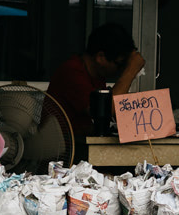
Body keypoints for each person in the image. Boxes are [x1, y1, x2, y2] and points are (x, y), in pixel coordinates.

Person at [46, 24, 145, 162]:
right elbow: (107, 109)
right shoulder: (72, 72)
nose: (119, 69)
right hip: (62, 151)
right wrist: (131, 70)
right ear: (100, 57)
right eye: (119, 63)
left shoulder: (96, 76)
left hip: (80, 145)